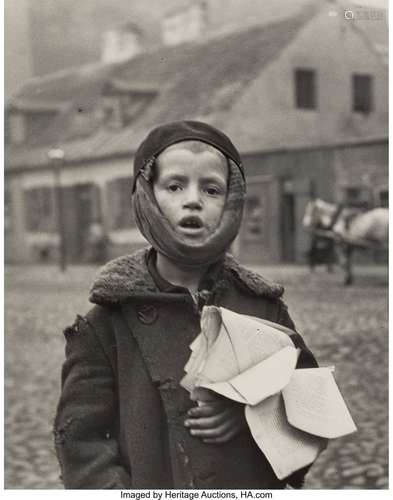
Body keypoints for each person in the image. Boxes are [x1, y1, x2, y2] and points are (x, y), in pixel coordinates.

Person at [54, 121, 319, 489]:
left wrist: (253, 414)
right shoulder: (106, 322)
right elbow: (81, 444)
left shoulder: (264, 308)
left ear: (232, 202)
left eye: (211, 189)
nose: (193, 199)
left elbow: (311, 405)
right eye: (175, 185)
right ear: (147, 196)